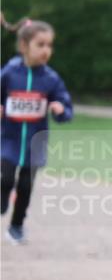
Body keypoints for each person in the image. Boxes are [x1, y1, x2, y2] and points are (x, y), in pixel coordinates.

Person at [1, 19, 73, 244]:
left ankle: (16, 227)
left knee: (25, 186)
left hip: (34, 144)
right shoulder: (9, 73)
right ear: (24, 46)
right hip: (8, 141)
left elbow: (65, 105)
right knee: (5, 179)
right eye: (40, 44)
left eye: (49, 45)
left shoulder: (50, 79)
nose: (46, 50)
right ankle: (2, 200)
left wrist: (60, 109)